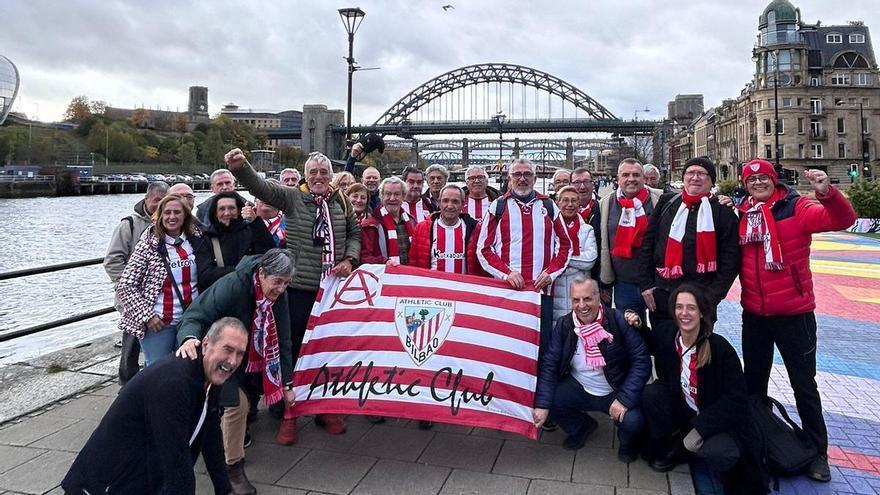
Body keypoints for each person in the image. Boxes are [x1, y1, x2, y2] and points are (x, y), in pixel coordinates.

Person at [736, 159, 857, 482]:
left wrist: (828, 193)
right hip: (755, 314)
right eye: (752, 179)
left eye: (764, 178)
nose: (758, 183)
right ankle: (760, 445)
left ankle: (818, 453)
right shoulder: (742, 214)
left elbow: (842, 219)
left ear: (774, 181)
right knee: (754, 385)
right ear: (745, 185)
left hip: (795, 314)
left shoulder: (797, 207)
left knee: (804, 386)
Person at [225, 148, 360, 438]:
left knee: (330, 350)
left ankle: (325, 408)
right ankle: (290, 413)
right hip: (298, 289)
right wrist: (241, 168)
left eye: (324, 172)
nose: (319, 177)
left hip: (331, 292)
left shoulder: (342, 201)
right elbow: (261, 188)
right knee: (293, 351)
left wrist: (350, 259)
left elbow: (354, 234)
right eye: (314, 173)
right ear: (306, 176)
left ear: (331, 176)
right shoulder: (292, 197)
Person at [62, 317, 248, 495]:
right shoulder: (176, 382)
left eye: (239, 353)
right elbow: (176, 460)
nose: (232, 361)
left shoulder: (210, 375)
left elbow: (211, 437)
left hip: (142, 477)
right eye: (227, 349)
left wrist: (225, 489)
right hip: (104, 483)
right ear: (206, 344)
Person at [177, 250, 295, 494]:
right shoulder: (233, 286)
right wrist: (189, 338)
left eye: (286, 283)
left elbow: (283, 339)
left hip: (250, 355)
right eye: (277, 282)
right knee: (236, 404)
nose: (281, 289)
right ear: (262, 274)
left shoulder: (277, 296)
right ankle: (232, 467)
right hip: (220, 353)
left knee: (245, 403)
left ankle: (213, 439)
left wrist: (287, 384)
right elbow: (196, 314)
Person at [641, 286, 767, 494]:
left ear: (701, 312)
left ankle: (729, 470)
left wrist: (700, 427)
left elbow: (736, 401)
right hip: (687, 410)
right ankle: (674, 447)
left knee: (719, 452)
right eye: (679, 307)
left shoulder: (720, 349)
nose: (684, 313)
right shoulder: (668, 334)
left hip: (717, 419)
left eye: (691, 308)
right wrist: (638, 325)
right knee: (651, 394)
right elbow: (652, 343)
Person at [534, 276, 649, 461]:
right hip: (579, 387)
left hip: (615, 389)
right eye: (576, 300)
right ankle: (582, 427)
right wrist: (542, 405)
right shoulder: (564, 325)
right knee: (549, 398)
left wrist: (624, 399)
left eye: (587, 298)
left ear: (599, 297)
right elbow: (550, 364)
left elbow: (642, 360)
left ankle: (627, 444)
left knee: (634, 421)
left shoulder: (617, 319)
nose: (582, 306)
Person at [638, 157, 740, 359]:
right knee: (664, 353)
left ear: (711, 181)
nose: (695, 178)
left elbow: (731, 261)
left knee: (698, 356)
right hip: (663, 294)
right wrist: (646, 284)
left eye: (701, 174)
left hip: (701, 297)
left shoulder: (722, 212)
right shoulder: (668, 203)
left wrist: (711, 298)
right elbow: (648, 243)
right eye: (690, 173)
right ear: (683, 178)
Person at [476, 158, 572, 355]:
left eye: (527, 174)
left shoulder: (549, 205)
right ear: (509, 178)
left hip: (541, 291)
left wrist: (551, 273)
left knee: (542, 345)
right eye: (517, 175)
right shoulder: (498, 206)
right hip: (509, 291)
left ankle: (540, 385)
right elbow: (483, 249)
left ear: (535, 178)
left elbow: (565, 245)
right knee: (508, 345)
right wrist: (507, 274)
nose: (522, 179)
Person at [116, 195, 201, 366]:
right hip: (159, 322)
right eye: (167, 212)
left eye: (177, 212)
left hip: (189, 320)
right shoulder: (148, 244)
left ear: (185, 215)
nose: (172, 217)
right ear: (160, 216)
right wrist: (147, 316)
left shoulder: (196, 240)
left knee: (187, 367)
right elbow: (125, 286)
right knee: (157, 370)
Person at [104, 181, 168, 386]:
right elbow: (113, 260)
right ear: (146, 199)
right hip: (133, 297)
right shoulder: (129, 224)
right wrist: (130, 285)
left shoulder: (169, 222)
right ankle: (126, 387)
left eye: (163, 201)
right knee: (130, 345)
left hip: (160, 298)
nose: (158, 206)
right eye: (155, 200)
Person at [598, 159, 663, 323]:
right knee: (630, 334)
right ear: (618, 178)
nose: (631, 179)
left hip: (657, 281)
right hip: (624, 283)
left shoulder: (661, 199)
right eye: (625, 175)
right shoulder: (605, 204)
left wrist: (719, 200)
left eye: (636, 175)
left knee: (662, 333)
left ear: (643, 177)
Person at [196, 190, 275, 289]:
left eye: (231, 208)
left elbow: (269, 255)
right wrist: (242, 271)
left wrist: (255, 222)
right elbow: (205, 275)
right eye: (221, 209)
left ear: (238, 211)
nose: (227, 213)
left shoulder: (251, 231)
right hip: (221, 293)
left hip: (249, 292)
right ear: (215, 213)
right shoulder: (207, 238)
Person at [409, 184, 481, 275]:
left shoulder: (475, 229)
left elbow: (481, 267)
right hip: (434, 286)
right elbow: (413, 262)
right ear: (439, 203)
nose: (450, 206)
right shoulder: (422, 228)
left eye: (455, 201)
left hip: (463, 286)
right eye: (445, 201)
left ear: (463, 204)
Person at [551, 186, 598, 324]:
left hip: (581, 295)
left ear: (579, 204)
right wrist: (576, 261)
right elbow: (548, 258)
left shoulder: (586, 230)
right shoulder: (549, 228)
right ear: (557, 203)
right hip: (555, 295)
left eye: (574, 200)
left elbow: (589, 260)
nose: (569, 204)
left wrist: (562, 258)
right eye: (565, 200)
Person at [363, 176, 418, 264]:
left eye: (397, 194)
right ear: (381, 196)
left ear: (403, 196)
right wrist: (384, 262)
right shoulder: (371, 225)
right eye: (388, 194)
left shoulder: (412, 221)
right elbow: (364, 257)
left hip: (409, 274)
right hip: (384, 275)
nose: (392, 198)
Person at [571, 167, 602, 280]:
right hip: (568, 278)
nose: (582, 187)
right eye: (577, 183)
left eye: (586, 182)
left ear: (593, 184)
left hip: (597, 277)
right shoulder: (561, 211)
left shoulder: (603, 207)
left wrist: (604, 282)